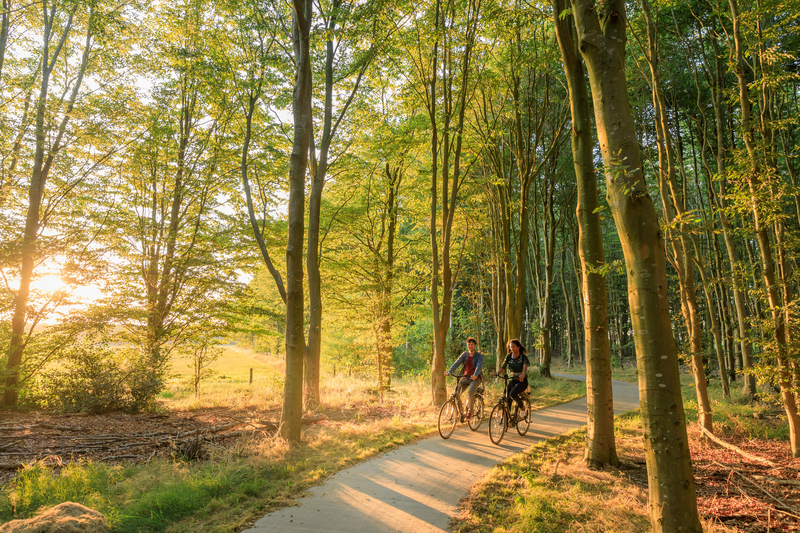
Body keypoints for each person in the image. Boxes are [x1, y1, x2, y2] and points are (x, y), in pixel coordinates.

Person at [444, 337, 484, 421]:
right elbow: (457, 363)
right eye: (468, 344)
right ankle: (462, 412)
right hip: (465, 377)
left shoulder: (479, 356)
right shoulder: (465, 354)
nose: (470, 346)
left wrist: (475, 375)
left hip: (475, 378)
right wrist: (449, 371)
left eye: (472, 344)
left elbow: (478, 367)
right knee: (456, 394)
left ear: (475, 346)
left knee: (470, 393)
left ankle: (470, 412)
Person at [499, 338, 530, 422]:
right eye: (510, 347)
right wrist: (498, 373)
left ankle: (522, 408)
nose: (512, 349)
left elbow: (524, 368)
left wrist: (522, 375)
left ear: (518, 347)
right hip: (512, 379)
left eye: (513, 347)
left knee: (513, 394)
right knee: (507, 397)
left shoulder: (523, 357)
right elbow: (503, 367)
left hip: (522, 381)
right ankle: (507, 417)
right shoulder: (509, 357)